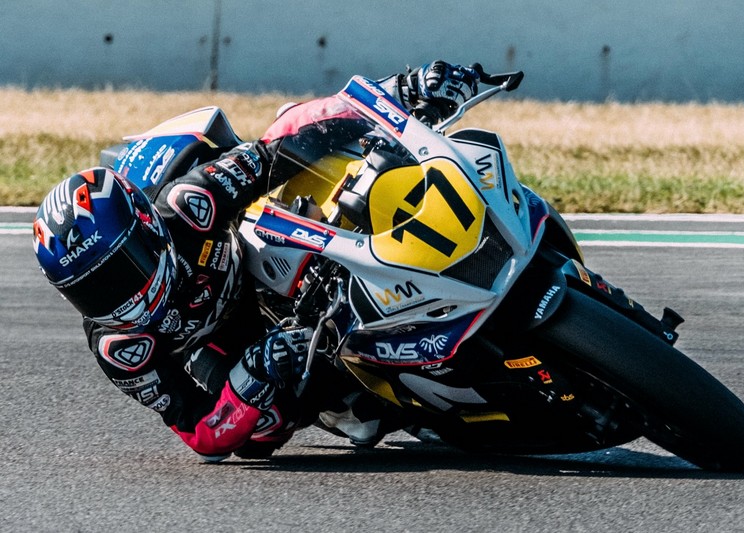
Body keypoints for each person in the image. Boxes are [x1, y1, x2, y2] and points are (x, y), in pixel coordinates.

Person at [32, 61, 480, 461]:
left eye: (120, 273)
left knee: (304, 147)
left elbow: (278, 148)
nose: (116, 299)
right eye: (88, 292)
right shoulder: (120, 348)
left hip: (250, 260)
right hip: (225, 344)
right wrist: (254, 372)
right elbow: (201, 434)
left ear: (148, 233)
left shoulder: (190, 203)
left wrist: (401, 90)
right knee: (265, 435)